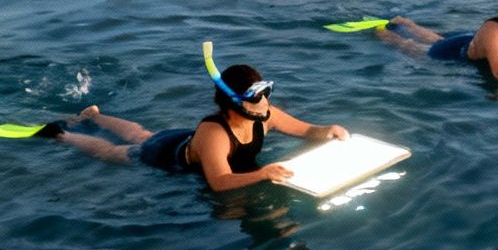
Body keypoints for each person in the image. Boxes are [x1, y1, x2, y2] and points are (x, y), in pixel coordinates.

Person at [40, 57, 348, 191]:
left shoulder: (264, 114)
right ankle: (63, 135)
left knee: (140, 132)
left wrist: (327, 130)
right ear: (235, 101)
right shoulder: (216, 133)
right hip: (167, 156)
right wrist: (262, 174)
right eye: (257, 95)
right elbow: (220, 182)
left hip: (185, 139)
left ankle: (93, 116)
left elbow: (305, 130)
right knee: (121, 151)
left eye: (267, 92)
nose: (265, 101)